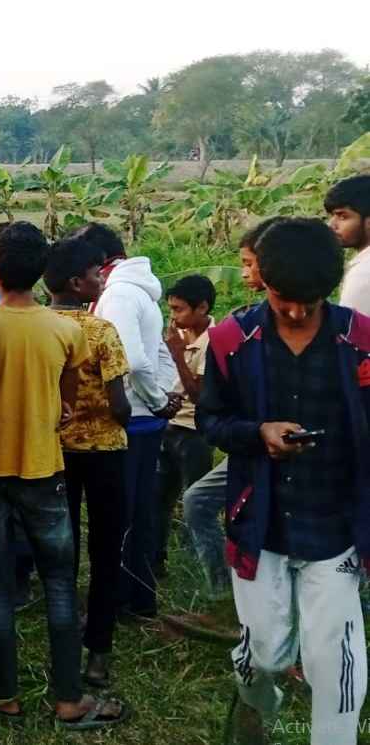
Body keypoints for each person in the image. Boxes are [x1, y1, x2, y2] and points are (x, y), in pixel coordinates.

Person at [198, 218, 369, 744]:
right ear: (262, 281)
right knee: (265, 653)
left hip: (335, 524)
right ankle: (256, 698)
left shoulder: (361, 341)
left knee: (333, 659)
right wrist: (257, 433)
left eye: (310, 302)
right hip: (261, 521)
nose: (296, 312)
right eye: (284, 300)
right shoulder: (230, 340)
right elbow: (211, 420)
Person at [0, 222, 128, 729]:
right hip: (43, 470)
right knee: (60, 581)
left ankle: (6, 693)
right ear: (42, 272)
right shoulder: (66, 329)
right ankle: (68, 698)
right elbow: (68, 398)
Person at [165, 218, 281, 642]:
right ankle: (227, 597)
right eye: (244, 265)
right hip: (247, 439)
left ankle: (240, 607)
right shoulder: (243, 324)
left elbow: (207, 399)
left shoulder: (234, 331)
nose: (246, 273)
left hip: (256, 442)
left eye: (250, 264)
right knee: (198, 502)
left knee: (207, 503)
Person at [76, 222, 179, 621]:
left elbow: (132, 359)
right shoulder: (137, 289)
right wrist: (167, 395)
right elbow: (158, 352)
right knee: (138, 512)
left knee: (122, 514)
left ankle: (122, 598)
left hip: (130, 416)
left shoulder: (118, 293)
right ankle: (138, 596)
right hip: (144, 415)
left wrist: (155, 400)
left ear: (99, 263)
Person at [44, 237, 132, 690]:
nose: (102, 279)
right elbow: (120, 405)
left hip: (54, 455)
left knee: (63, 554)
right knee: (105, 551)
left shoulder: (38, 327)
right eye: (97, 273)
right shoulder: (100, 331)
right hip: (105, 454)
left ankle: (60, 644)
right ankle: (98, 651)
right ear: (77, 283)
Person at [155, 274, 217, 584]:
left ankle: (203, 574)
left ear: (202, 307)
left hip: (194, 432)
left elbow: (201, 397)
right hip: (168, 426)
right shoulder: (179, 333)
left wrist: (178, 354)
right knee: (159, 501)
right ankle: (157, 562)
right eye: (171, 309)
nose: (173, 316)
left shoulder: (214, 343)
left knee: (196, 503)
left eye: (179, 309)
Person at [325, 175, 370, 315]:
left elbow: (351, 333)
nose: (331, 225)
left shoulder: (364, 273)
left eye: (343, 216)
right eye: (332, 216)